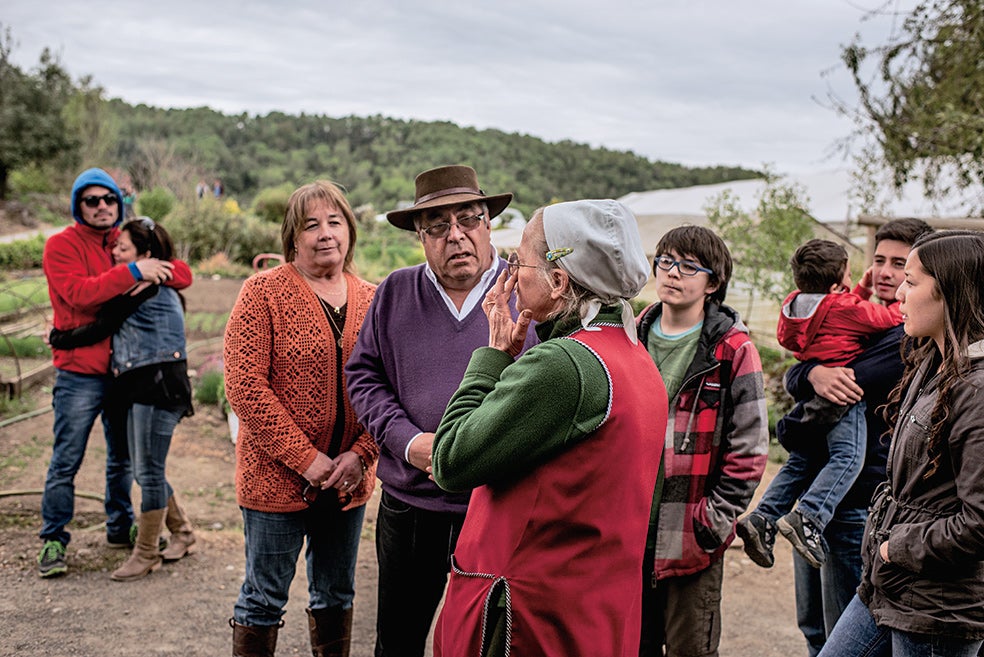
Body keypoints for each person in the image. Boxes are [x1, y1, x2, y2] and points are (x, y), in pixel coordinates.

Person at [431, 199, 666, 657]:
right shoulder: (635, 359)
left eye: (519, 262)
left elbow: (450, 459)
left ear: (558, 280)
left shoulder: (563, 365)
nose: (512, 274)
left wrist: (494, 355)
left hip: (527, 619)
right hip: (590, 613)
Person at [345, 164, 536, 657]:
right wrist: (408, 443)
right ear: (420, 235)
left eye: (468, 218)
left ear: (488, 223)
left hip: (497, 506)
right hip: (411, 506)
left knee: (486, 644)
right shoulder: (395, 292)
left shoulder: (527, 293)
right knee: (398, 642)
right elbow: (364, 376)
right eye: (437, 225)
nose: (456, 235)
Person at [224, 180, 378, 656]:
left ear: (349, 231)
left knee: (336, 594)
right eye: (312, 225)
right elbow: (245, 386)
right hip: (276, 478)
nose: (325, 233)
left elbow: (390, 388)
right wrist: (307, 460)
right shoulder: (263, 293)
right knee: (263, 598)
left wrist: (361, 455)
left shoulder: (374, 298)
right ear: (293, 237)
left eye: (335, 222)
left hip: (347, 480)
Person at [818, 230, 984, 657]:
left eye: (910, 281)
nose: (898, 295)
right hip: (887, 584)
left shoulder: (978, 391)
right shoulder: (934, 361)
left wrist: (897, 548)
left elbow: (980, 522)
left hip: (937, 609)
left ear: (950, 291)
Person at [781, 218, 933, 655]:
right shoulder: (855, 318)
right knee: (814, 629)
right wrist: (810, 372)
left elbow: (845, 380)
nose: (885, 272)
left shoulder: (905, 337)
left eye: (899, 264)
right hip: (818, 495)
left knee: (841, 639)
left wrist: (807, 376)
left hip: (857, 502)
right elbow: (810, 369)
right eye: (879, 259)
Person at [39, 167, 192, 578]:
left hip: (123, 373)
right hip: (79, 373)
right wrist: (135, 271)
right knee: (67, 459)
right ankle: (53, 538)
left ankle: (121, 526)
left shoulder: (121, 241)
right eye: (92, 200)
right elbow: (80, 295)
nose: (103, 206)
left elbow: (181, 272)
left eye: (110, 199)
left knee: (123, 460)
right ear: (79, 206)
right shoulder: (61, 245)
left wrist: (153, 268)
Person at [636, 225, 770, 657]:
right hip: (629, 535)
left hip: (689, 539)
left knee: (690, 650)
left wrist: (710, 523)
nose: (673, 273)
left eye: (689, 266)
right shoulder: (632, 337)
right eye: (666, 261)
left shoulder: (733, 350)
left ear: (713, 283)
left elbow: (750, 450)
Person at [738, 239, 901, 570]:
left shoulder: (795, 304)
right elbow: (883, 318)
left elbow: (836, 314)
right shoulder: (849, 309)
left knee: (802, 460)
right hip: (842, 400)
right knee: (847, 457)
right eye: (850, 276)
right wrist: (908, 301)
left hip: (814, 399)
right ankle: (810, 516)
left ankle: (763, 516)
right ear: (838, 284)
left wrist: (808, 370)